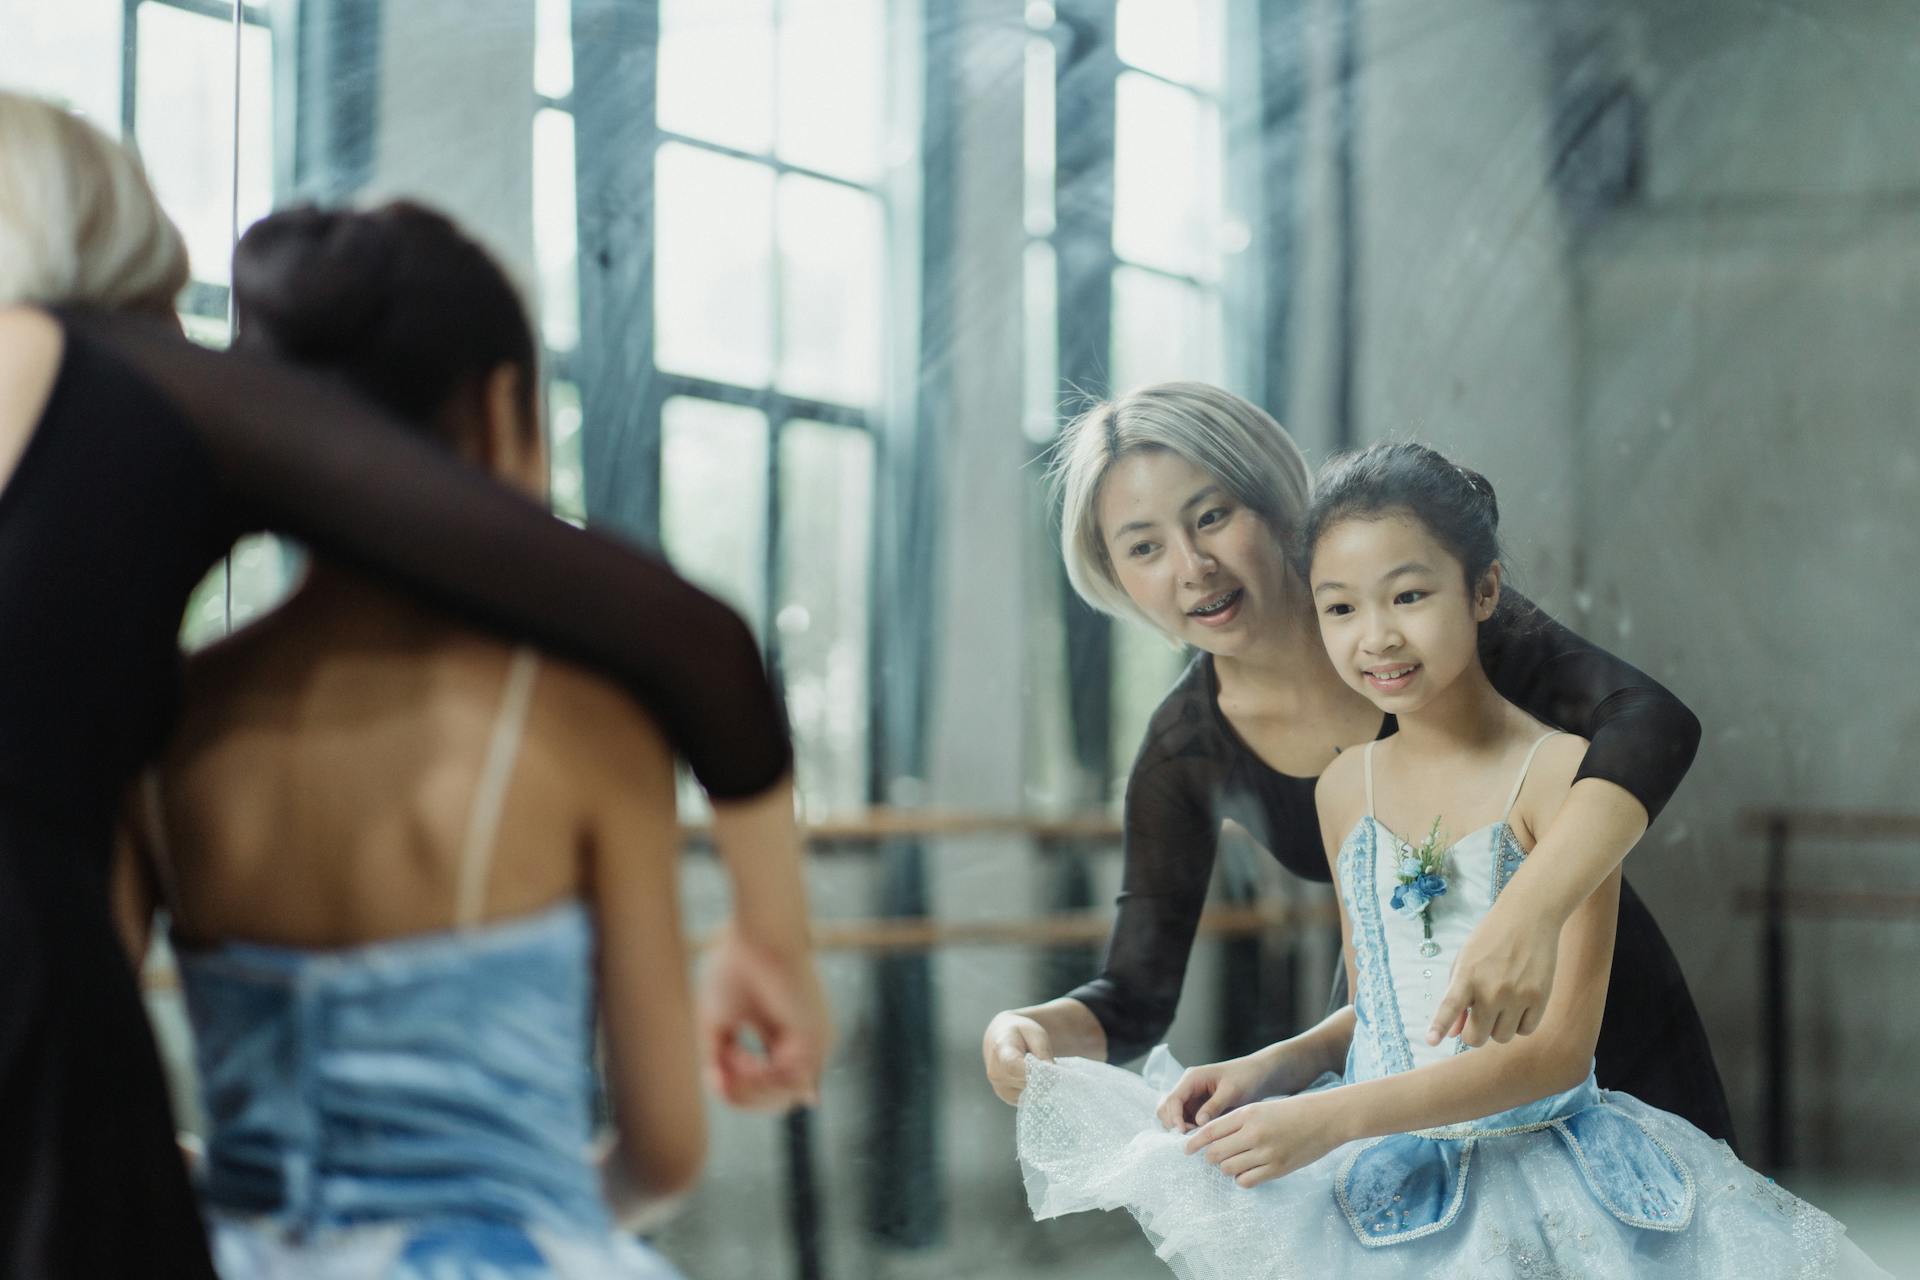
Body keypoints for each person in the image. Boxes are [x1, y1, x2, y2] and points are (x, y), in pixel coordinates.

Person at [0, 91, 822, 1277]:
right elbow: (662, 1149)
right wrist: (773, 936)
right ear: (501, 409)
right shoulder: (583, 732)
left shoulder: (174, 733)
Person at [1013, 442, 1888, 1278]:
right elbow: (1384, 1004)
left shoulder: (1563, 775)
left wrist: (1329, 1115)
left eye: (1409, 597)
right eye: (1342, 608)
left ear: (1484, 594)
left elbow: (1555, 1059)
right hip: (1389, 1174)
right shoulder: (1341, 789)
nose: (1377, 637)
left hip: (1549, 1172)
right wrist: (1278, 1066)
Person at [982, 383, 1734, 1147]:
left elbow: (1651, 722)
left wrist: (1529, 909)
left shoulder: (1417, 615)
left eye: (1212, 516)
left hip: (1601, 1032)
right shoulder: (1185, 749)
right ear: (1113, 575)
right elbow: (1134, 997)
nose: (1192, 566)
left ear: (1275, 503)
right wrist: (1025, 1029)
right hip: (1404, 1075)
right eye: (1143, 547)